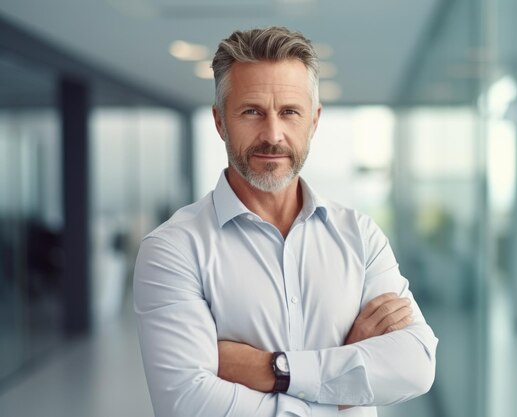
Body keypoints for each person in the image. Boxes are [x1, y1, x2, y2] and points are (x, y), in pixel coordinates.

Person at [134, 26, 438, 417]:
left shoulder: (360, 236)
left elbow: (415, 366)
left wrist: (275, 371)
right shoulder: (173, 250)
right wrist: (345, 378)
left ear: (313, 121)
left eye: (289, 112)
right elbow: (188, 405)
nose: (273, 134)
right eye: (252, 112)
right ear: (219, 121)